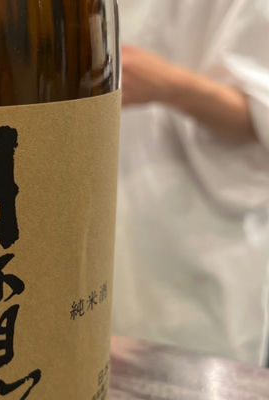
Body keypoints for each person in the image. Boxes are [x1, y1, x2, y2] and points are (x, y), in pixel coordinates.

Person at [113, 0, 269, 365]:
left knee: (190, 369)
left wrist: (172, 85)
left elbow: (262, 115)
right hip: (115, 229)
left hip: (200, 244)